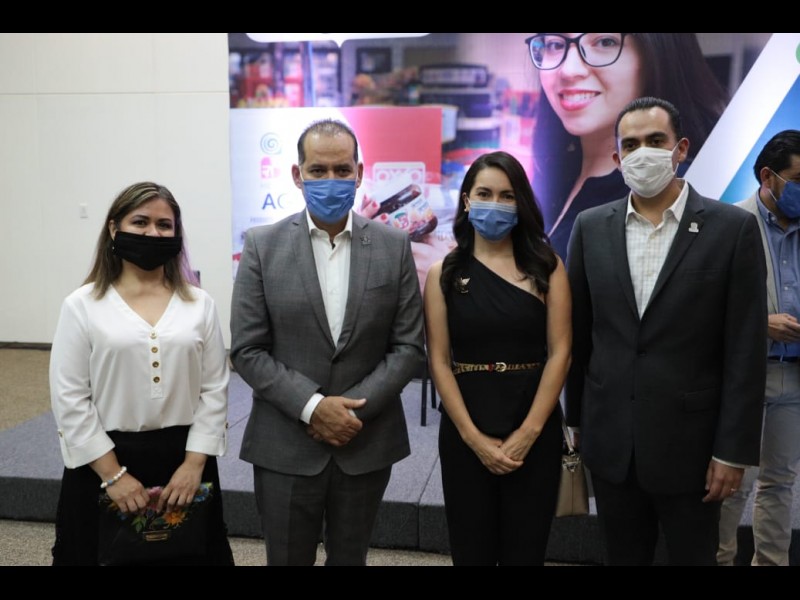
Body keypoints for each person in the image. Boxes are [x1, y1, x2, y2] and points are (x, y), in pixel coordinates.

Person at [565, 97, 767, 565]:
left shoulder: (732, 229)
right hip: (612, 444)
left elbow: (745, 350)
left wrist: (733, 452)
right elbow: (580, 332)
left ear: (681, 148)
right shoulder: (590, 227)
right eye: (631, 145)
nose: (643, 153)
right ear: (616, 158)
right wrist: (576, 423)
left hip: (694, 451)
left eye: (655, 141)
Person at [230, 119, 425, 566]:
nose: (331, 180)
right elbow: (247, 350)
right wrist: (314, 407)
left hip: (365, 440)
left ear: (359, 173)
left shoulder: (394, 245)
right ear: (297, 175)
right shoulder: (262, 245)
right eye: (318, 170)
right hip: (285, 441)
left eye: (342, 170)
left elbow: (408, 347)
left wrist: (349, 413)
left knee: (351, 559)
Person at [49, 181, 234, 566]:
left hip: (184, 461)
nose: (153, 233)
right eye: (140, 222)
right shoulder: (82, 305)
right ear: (114, 229)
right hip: (104, 461)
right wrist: (113, 477)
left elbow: (215, 389)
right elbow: (70, 398)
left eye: (164, 225)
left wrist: (193, 466)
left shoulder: (199, 304)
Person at [424, 151, 571, 565]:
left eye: (507, 196)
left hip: (534, 426)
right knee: (471, 551)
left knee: (527, 552)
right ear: (467, 200)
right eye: (485, 193)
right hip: (465, 429)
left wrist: (529, 432)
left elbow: (561, 352)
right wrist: (473, 438)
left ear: (520, 202)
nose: (496, 204)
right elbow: (439, 361)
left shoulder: (547, 267)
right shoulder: (443, 273)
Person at [526, 33, 728, 259]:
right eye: (555, 44)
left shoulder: (678, 192)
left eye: (605, 42)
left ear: (657, 53)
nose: (568, 70)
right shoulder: (551, 174)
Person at [718, 129, 800, 566]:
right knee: (733, 482)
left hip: (794, 377)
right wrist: (761, 324)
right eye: (798, 180)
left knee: (781, 482)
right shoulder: (730, 224)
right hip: (745, 375)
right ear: (768, 176)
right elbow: (701, 310)